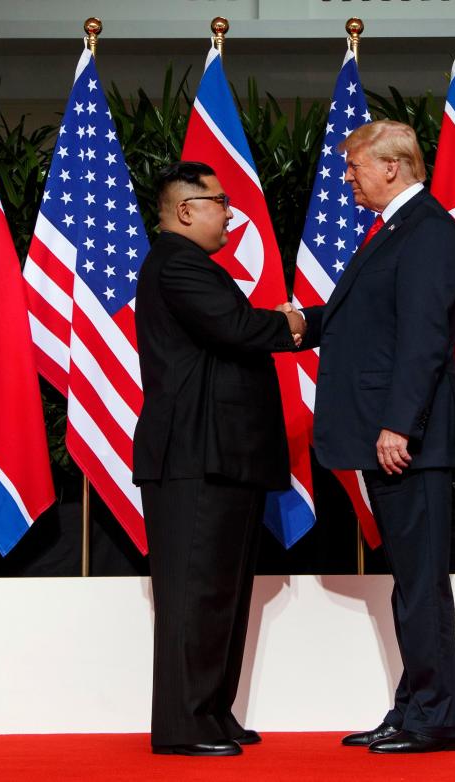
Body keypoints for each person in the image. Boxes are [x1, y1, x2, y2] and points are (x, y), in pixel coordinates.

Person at [292, 120, 455, 753]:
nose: (348, 179)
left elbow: (424, 340)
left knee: (421, 583)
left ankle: (436, 718)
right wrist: (301, 323)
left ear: (391, 167)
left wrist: (399, 423)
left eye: (354, 168)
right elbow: (361, 322)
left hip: (408, 441)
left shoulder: (428, 231)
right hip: (386, 435)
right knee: (409, 581)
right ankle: (415, 705)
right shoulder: (397, 229)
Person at [132, 161, 305, 757]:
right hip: (193, 454)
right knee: (196, 592)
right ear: (185, 209)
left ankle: (211, 712)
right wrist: (292, 323)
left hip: (219, 453)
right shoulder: (177, 262)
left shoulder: (190, 265)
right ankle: (184, 725)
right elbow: (235, 329)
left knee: (222, 593)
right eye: (219, 202)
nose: (230, 212)